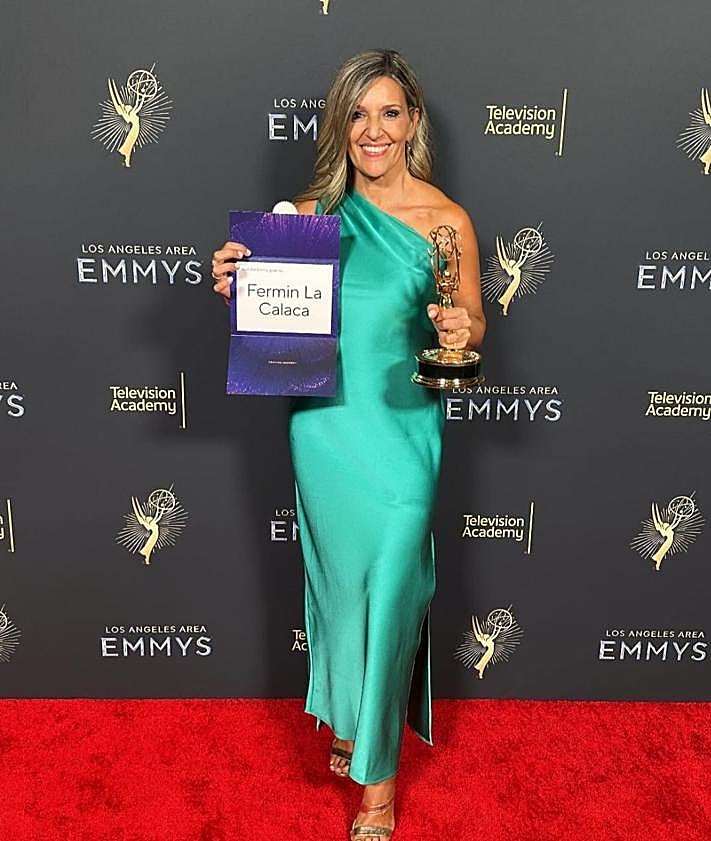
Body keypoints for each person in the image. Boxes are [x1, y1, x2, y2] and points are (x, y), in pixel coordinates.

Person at [212, 48, 485, 841]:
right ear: (340, 126)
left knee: (394, 587)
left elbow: (468, 324)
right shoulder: (306, 219)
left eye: (389, 112)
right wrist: (239, 278)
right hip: (325, 428)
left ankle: (377, 784)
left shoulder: (446, 221)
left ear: (412, 123)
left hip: (403, 430)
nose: (373, 129)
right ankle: (345, 713)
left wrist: (464, 326)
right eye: (357, 114)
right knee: (339, 593)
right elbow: (269, 318)